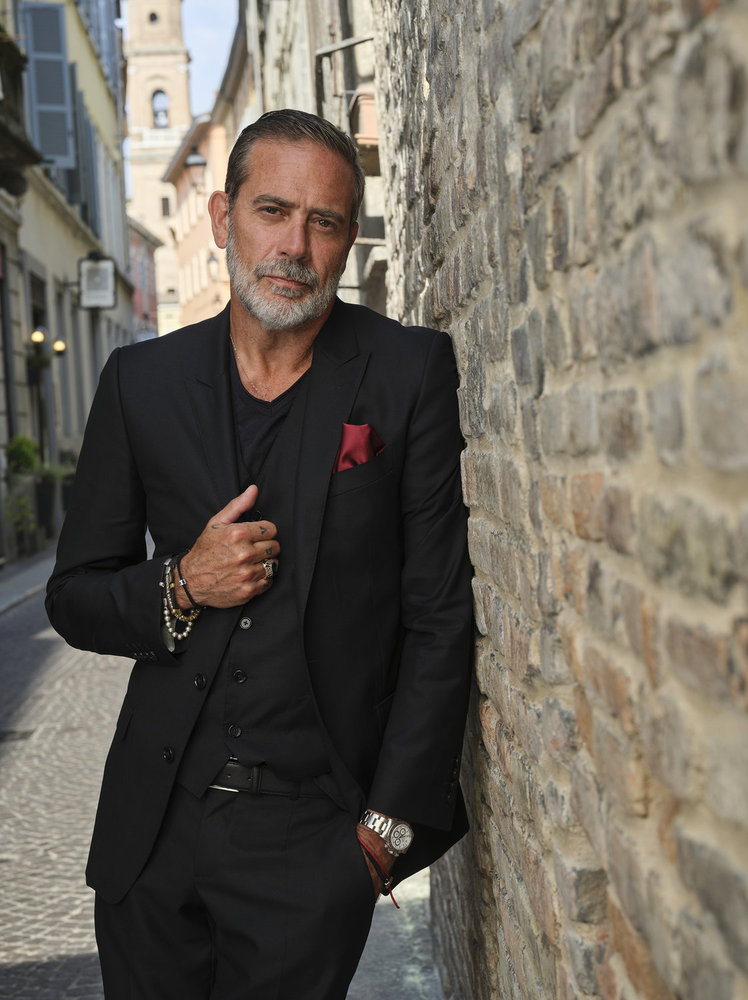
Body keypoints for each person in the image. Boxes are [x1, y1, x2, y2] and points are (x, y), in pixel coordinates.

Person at [46, 109, 474, 1000]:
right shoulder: (141, 383)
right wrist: (179, 585)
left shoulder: (407, 372)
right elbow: (75, 596)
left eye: (323, 222)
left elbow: (438, 618)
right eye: (272, 211)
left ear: (349, 239)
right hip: (152, 835)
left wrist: (384, 834)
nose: (294, 246)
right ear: (220, 217)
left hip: (312, 845)